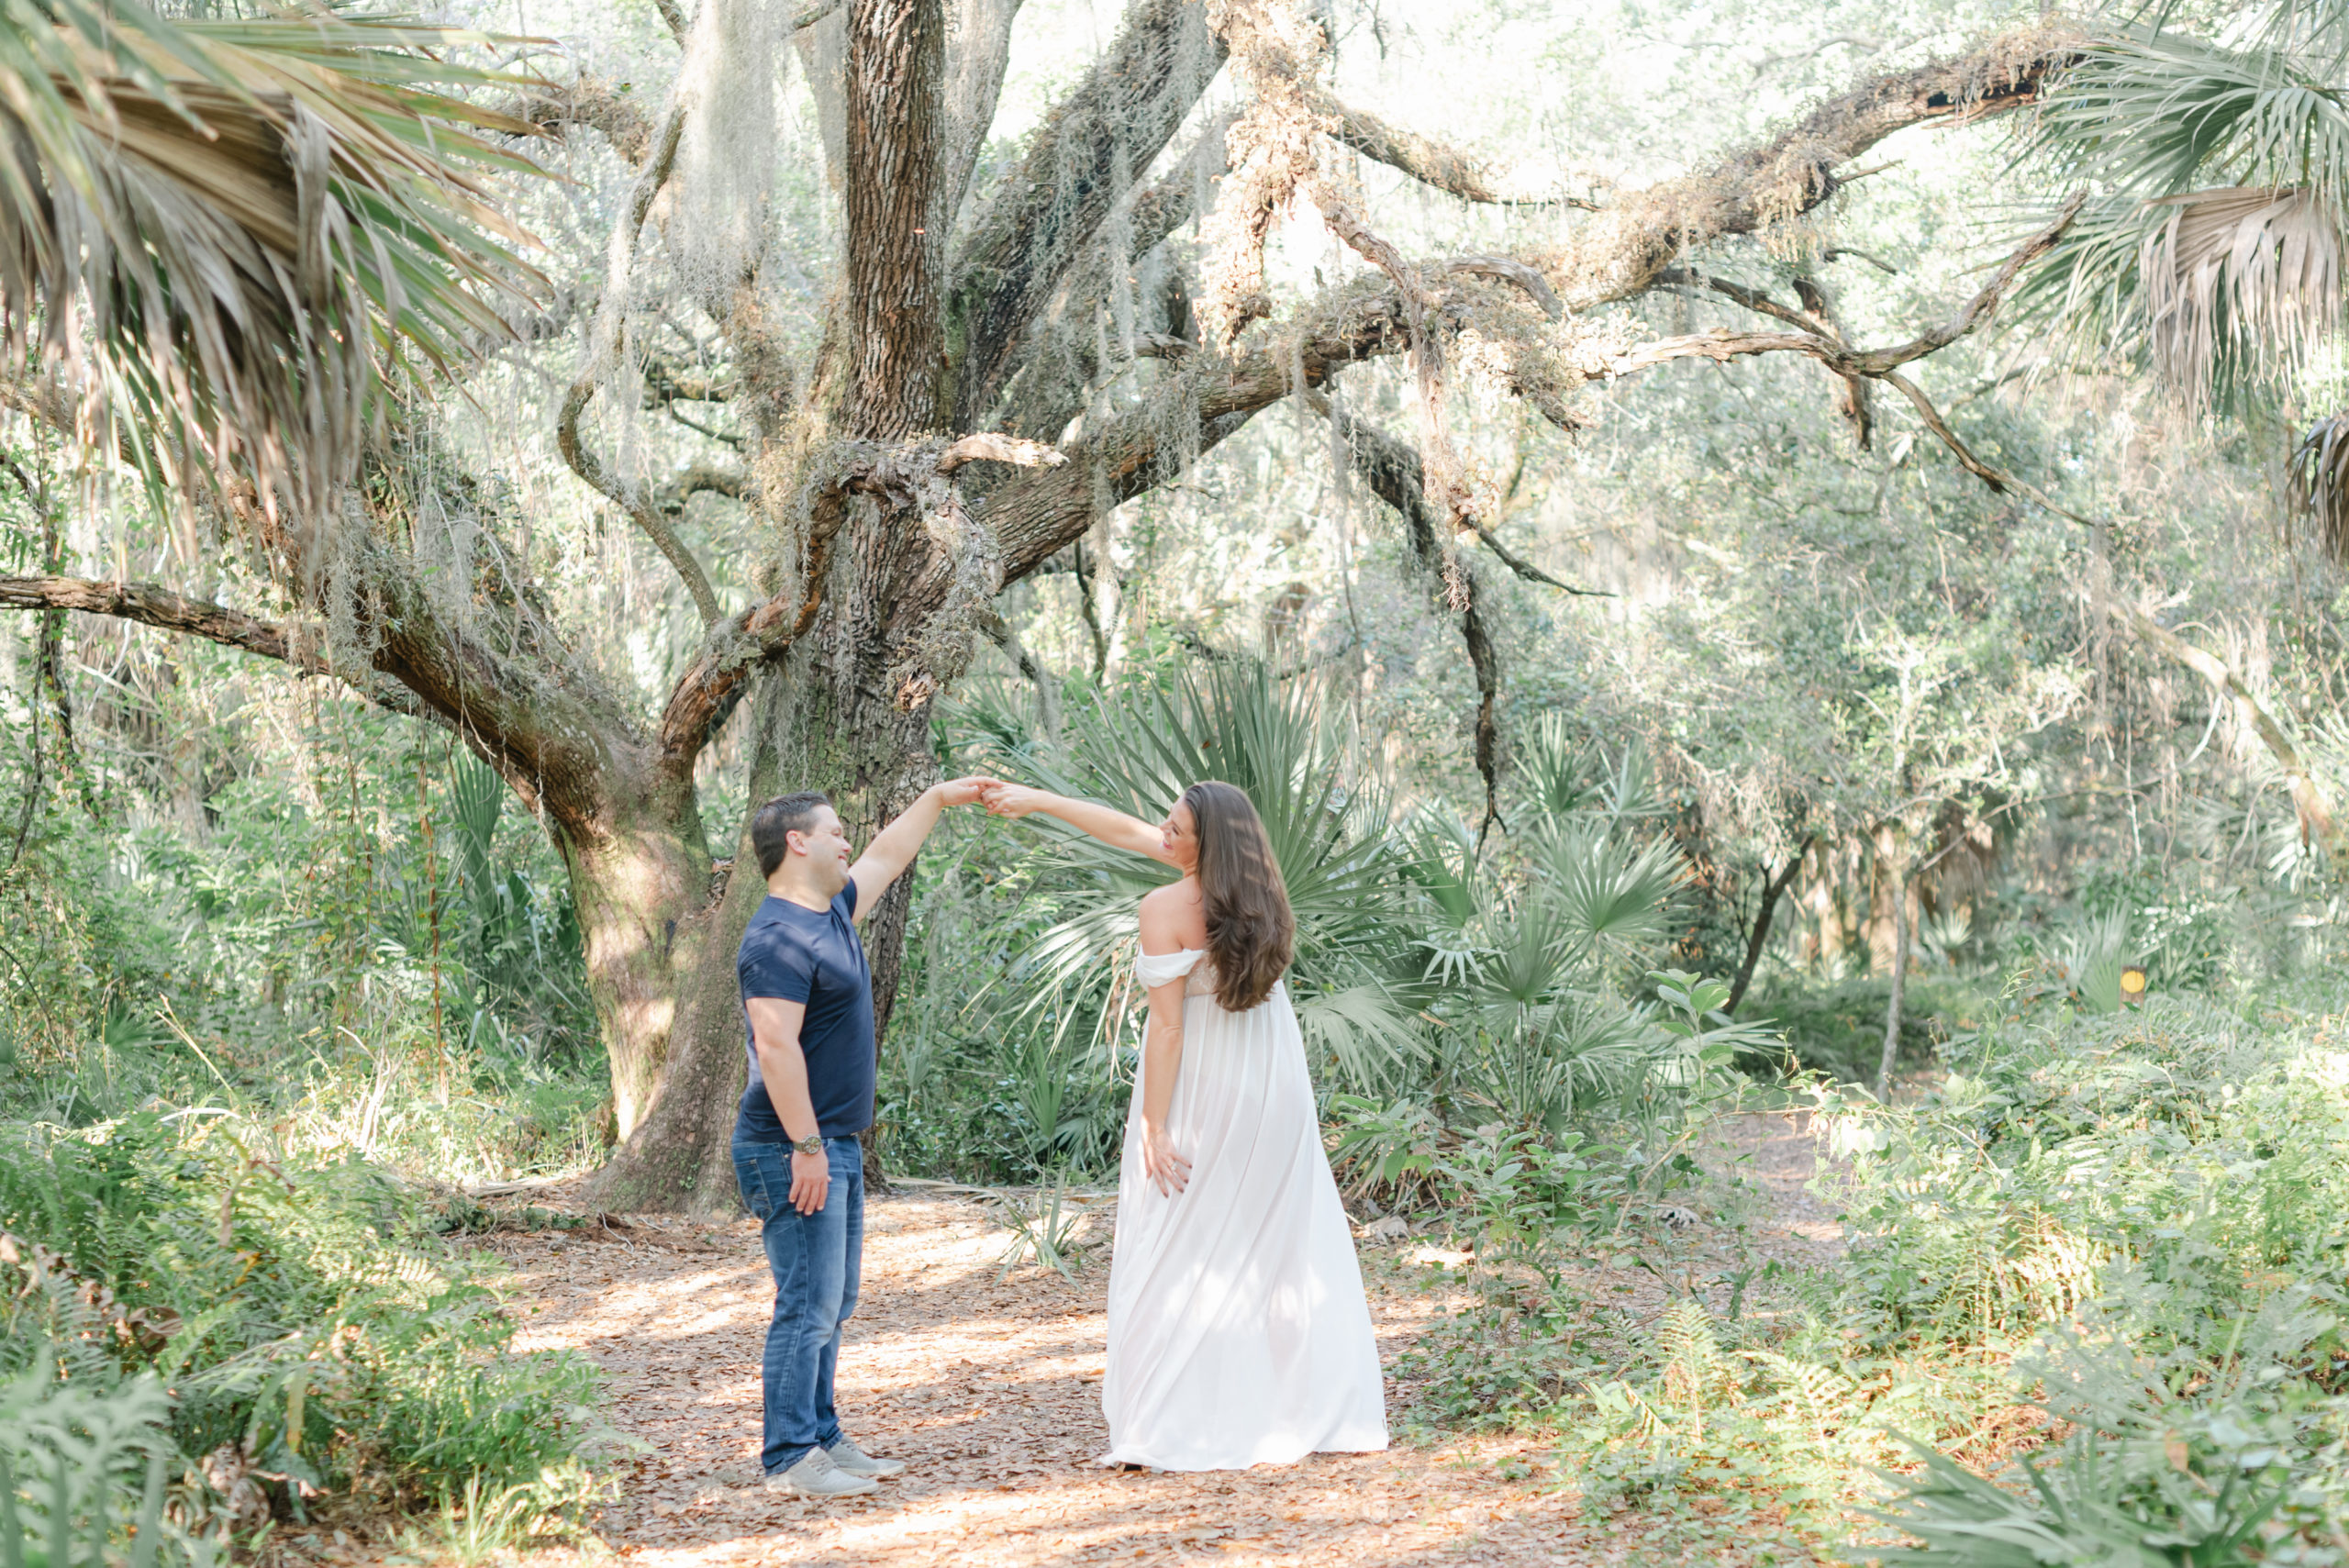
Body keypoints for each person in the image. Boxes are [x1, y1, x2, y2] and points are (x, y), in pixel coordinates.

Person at [980, 778, 1389, 1470]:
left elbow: (1168, 1031)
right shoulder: (1257, 886)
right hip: (1273, 1078)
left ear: (1204, 844)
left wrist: (1153, 1123)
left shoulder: (1164, 905)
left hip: (1203, 1081)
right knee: (1275, 1242)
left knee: (1174, 1238)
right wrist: (1040, 800)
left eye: (1173, 829)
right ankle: (1289, 1403)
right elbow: (1119, 826)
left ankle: (1179, 1413)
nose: (1160, 834)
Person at [733, 779, 990, 1496]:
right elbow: (776, 1046)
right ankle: (788, 1457)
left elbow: (888, 852)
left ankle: (821, 1434)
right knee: (806, 1301)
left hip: (833, 1139)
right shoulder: (776, 935)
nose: (849, 840)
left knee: (834, 1300)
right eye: (835, 830)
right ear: (798, 841)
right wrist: (806, 1148)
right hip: (788, 1145)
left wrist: (941, 796)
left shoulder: (833, 910)